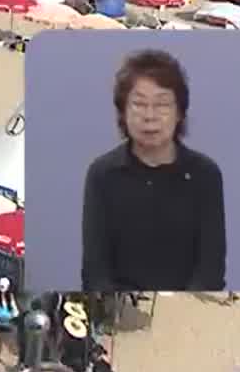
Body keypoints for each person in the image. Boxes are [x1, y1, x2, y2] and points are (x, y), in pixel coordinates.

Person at [81, 48, 226, 292]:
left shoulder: (205, 175)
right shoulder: (103, 173)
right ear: (123, 112)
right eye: (138, 104)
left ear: (180, 112)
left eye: (162, 105)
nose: (150, 116)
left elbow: (211, 269)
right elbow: (95, 268)